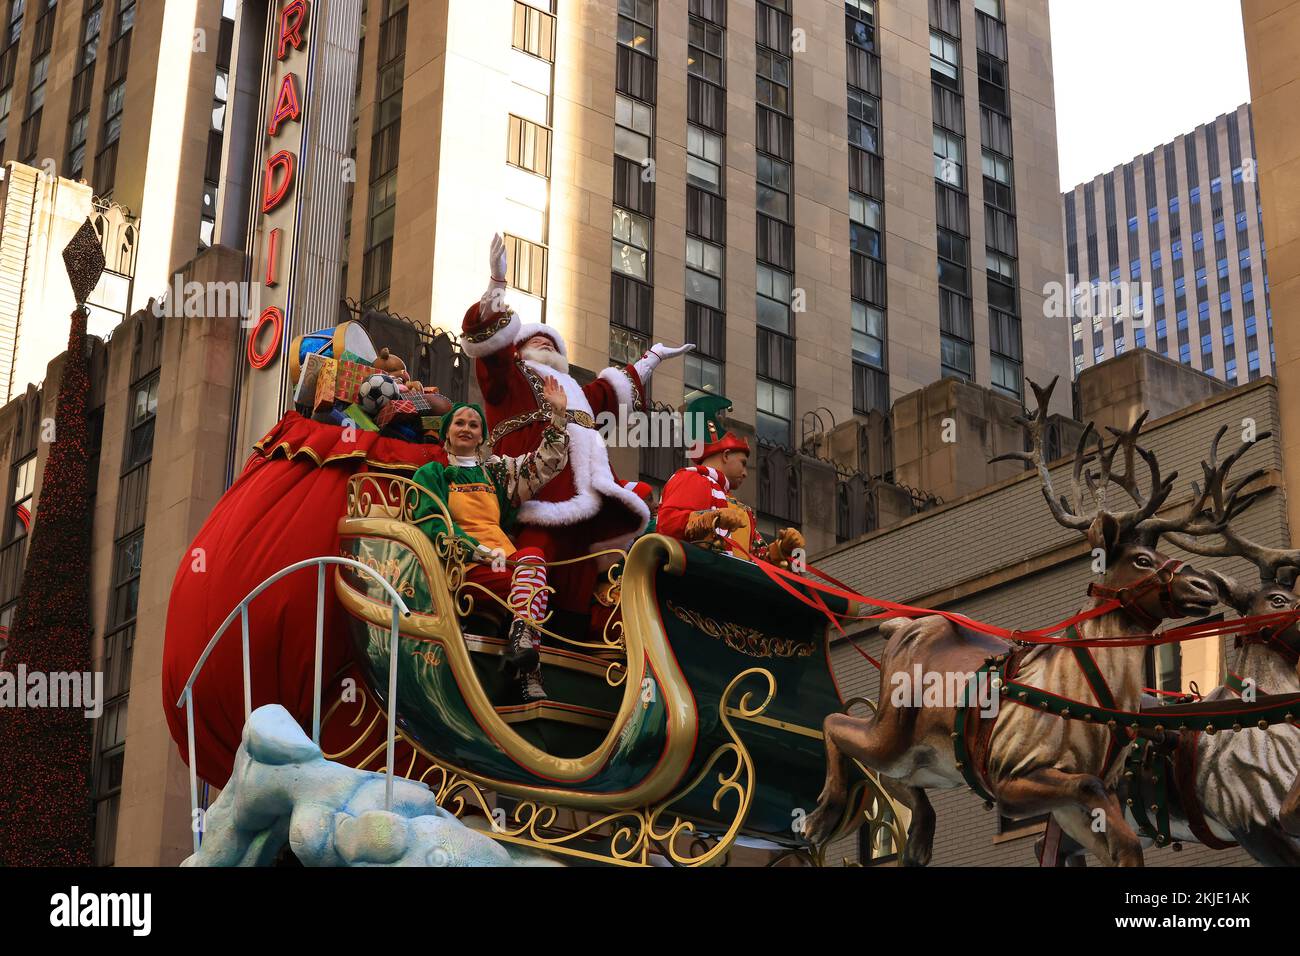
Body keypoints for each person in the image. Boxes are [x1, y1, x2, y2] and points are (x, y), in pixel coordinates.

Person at [460, 233, 693, 622]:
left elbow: (613, 387)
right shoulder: (510, 381)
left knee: (590, 577)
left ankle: (591, 634)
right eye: (535, 340)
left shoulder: (576, 392)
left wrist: (653, 357)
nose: (544, 343)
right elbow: (491, 355)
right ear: (518, 349)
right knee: (536, 550)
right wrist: (496, 288)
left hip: (592, 499)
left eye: (551, 342)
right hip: (539, 495)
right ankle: (525, 631)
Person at [410, 376, 570, 703]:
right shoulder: (432, 473)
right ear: (447, 434)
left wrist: (557, 416)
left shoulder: (496, 472)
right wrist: (477, 550)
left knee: (534, 556)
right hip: (464, 564)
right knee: (534, 586)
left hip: (508, 562)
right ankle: (528, 666)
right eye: (459, 423)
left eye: (473, 424)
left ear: (482, 435)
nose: (466, 428)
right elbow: (430, 523)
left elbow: (543, 465)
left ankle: (523, 641)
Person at [657, 395, 804, 567]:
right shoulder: (692, 478)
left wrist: (781, 549)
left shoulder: (740, 509)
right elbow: (667, 524)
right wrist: (711, 519)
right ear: (726, 455)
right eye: (743, 463)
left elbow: (755, 559)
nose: (745, 473)